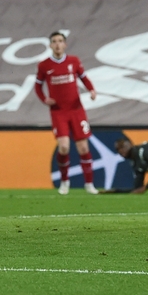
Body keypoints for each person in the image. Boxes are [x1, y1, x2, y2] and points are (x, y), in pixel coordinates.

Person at [34, 32, 99, 195]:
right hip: (58, 112)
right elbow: (37, 86)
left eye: (60, 41)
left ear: (65, 44)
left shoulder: (74, 61)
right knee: (64, 147)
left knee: (83, 147)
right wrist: (44, 99)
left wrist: (91, 90)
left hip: (77, 110)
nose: (57, 44)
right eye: (54, 41)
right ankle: (64, 182)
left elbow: (84, 78)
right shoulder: (44, 65)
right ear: (50, 45)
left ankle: (89, 184)